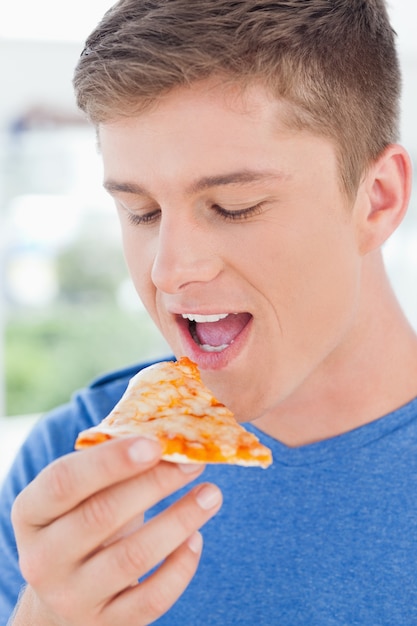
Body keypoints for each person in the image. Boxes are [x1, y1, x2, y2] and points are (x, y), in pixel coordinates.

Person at [1, 0, 417, 623]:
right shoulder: (73, 470)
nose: (169, 270)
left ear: (377, 200)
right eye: (141, 211)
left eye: (235, 205)